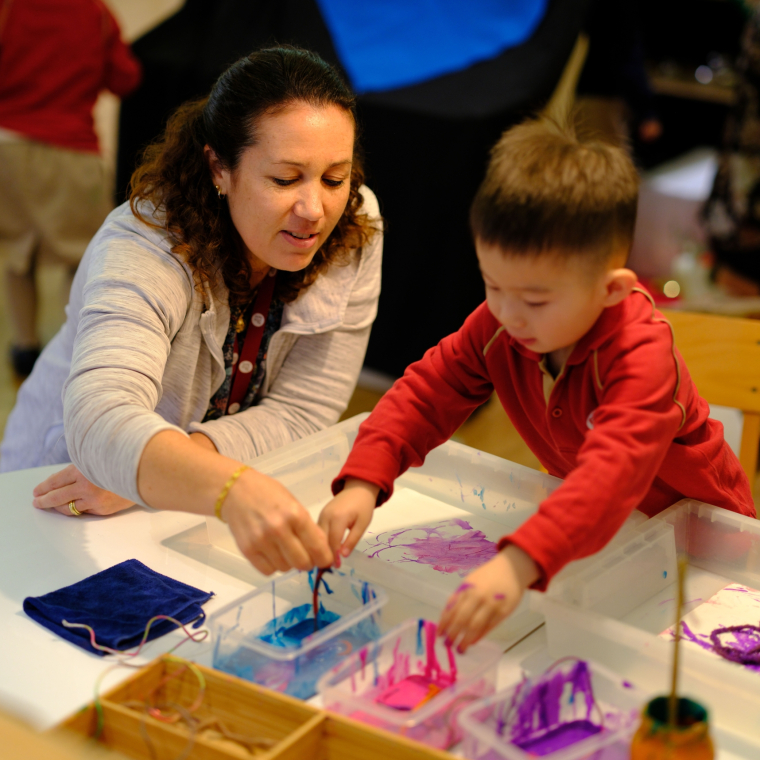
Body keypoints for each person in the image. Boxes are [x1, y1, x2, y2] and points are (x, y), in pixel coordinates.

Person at [318, 116, 754, 653]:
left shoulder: (641, 355)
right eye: (493, 284)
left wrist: (518, 563)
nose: (508, 314)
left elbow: (608, 477)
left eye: (536, 299)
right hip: (592, 543)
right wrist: (364, 479)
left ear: (612, 289)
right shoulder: (501, 322)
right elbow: (429, 390)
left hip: (703, 554)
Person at [1, 47, 383, 577]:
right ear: (218, 168)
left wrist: (186, 469)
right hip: (65, 495)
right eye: (285, 179)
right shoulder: (145, 247)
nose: (314, 209)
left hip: (179, 504)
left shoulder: (355, 229)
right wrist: (228, 486)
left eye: (335, 179)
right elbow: (100, 416)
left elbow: (305, 410)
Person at [0, 0, 142, 377]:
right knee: (80, 257)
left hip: (7, 147)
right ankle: (70, 348)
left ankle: (24, 348)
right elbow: (125, 78)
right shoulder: (95, 14)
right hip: (72, 150)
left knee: (18, 255)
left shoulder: (9, 8)